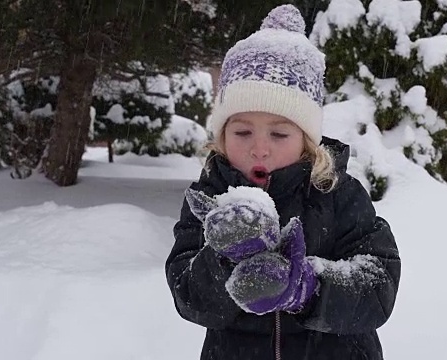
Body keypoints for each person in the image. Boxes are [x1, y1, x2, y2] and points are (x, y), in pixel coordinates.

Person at [165, 4, 401, 360]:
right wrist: (224, 260)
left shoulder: (338, 194)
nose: (259, 149)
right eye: (242, 131)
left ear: (307, 140)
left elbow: (377, 284)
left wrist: (306, 289)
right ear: (222, 136)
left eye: (279, 133)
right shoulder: (209, 198)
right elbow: (188, 297)